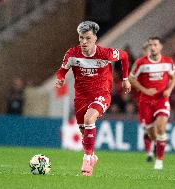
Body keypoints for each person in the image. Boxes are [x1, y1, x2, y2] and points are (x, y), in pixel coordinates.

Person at [55, 21, 131, 176]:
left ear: (95, 38)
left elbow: (124, 56)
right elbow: (61, 71)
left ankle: (87, 158)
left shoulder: (105, 54)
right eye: (81, 38)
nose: (83, 42)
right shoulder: (72, 54)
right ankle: (93, 156)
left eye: (88, 38)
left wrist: (125, 78)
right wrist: (60, 78)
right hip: (81, 98)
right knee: (84, 131)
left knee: (90, 120)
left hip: (101, 95)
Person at [129, 37, 175, 170]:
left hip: (162, 100)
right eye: (150, 45)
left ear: (161, 46)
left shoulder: (168, 62)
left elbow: (173, 78)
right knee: (151, 132)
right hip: (146, 102)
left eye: (155, 45)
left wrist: (169, 89)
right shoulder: (141, 63)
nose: (152, 47)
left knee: (161, 127)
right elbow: (131, 78)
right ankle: (157, 144)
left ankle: (159, 161)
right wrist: (145, 90)